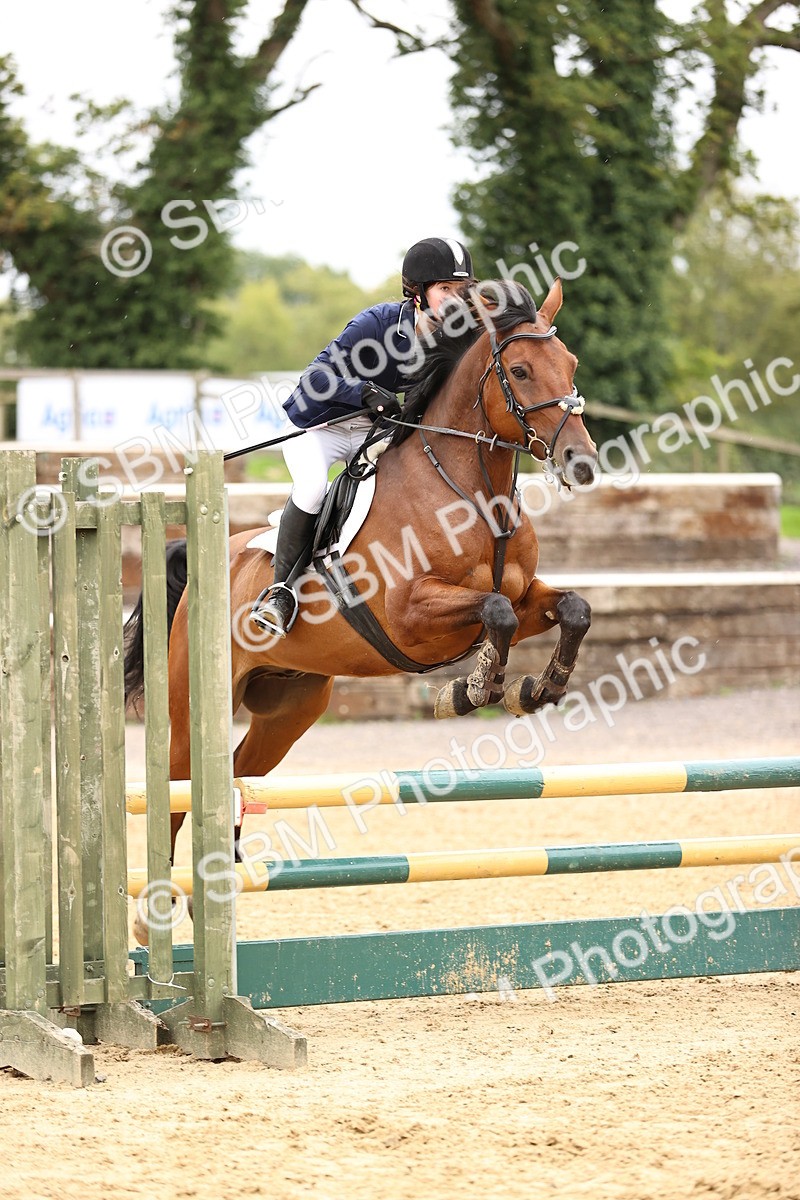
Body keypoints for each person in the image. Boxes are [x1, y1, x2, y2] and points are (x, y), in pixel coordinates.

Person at [251, 236, 476, 637]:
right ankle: (280, 592)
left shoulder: (455, 339)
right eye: (445, 289)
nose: (456, 300)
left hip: (374, 434)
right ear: (418, 293)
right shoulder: (378, 324)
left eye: (462, 291)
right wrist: (362, 391)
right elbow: (315, 377)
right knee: (312, 490)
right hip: (319, 427)